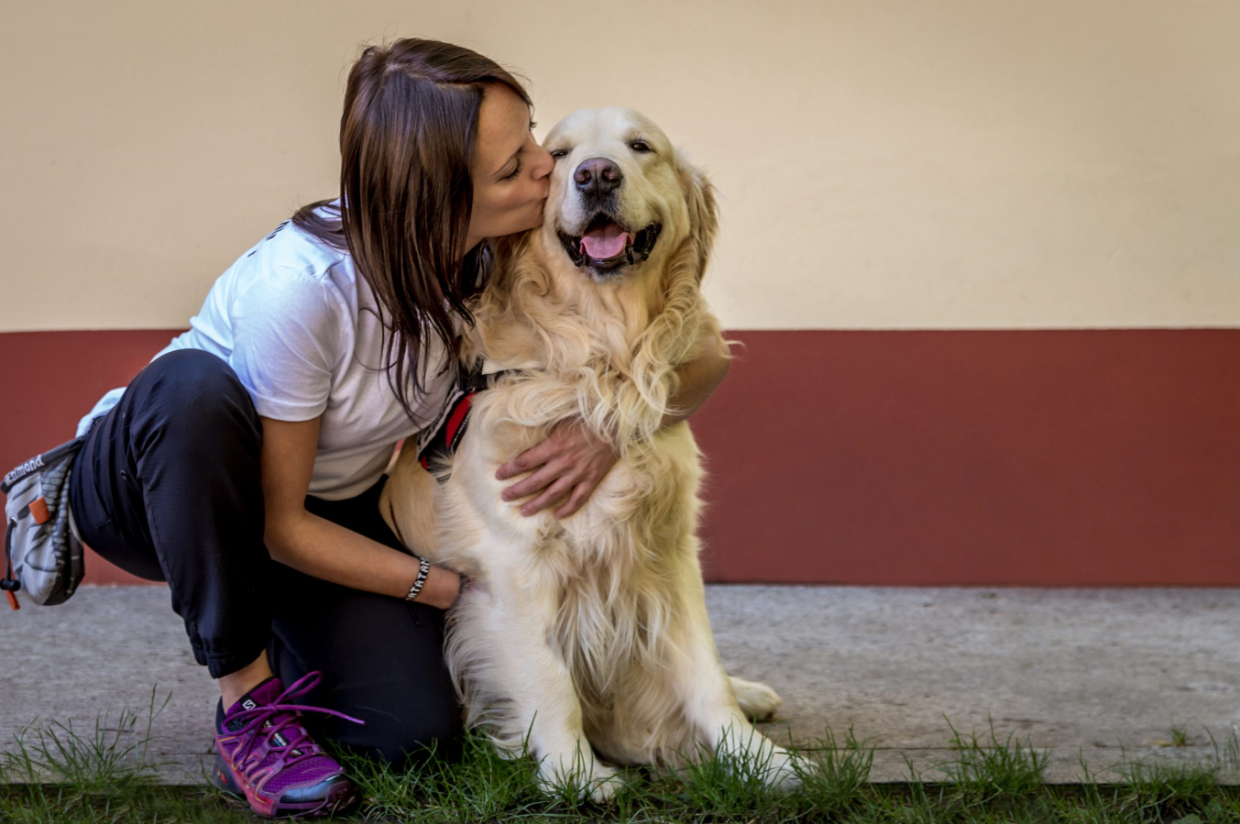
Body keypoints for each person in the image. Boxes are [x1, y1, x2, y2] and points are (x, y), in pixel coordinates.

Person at [67, 37, 731, 819]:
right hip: (164, 487)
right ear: (441, 195)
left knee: (411, 733)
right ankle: (245, 702)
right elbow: (277, 524)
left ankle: (285, 639)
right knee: (194, 394)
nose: (551, 170)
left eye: (531, 140)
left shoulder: (483, 260)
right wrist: (445, 586)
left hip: (325, 508)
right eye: (516, 166)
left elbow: (707, 359)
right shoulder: (304, 292)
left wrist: (609, 430)